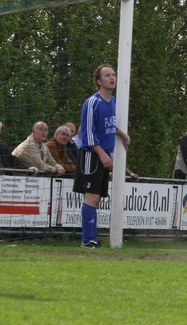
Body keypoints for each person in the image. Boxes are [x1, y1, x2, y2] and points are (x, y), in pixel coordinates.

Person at [75, 64, 130, 249]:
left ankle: (92, 239)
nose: (112, 78)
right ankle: (86, 240)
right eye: (107, 75)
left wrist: (122, 134)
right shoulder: (92, 102)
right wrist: (102, 154)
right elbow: (88, 134)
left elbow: (108, 125)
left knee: (97, 198)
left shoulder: (113, 101)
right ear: (99, 81)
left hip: (104, 155)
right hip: (92, 155)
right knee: (91, 197)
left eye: (113, 74)